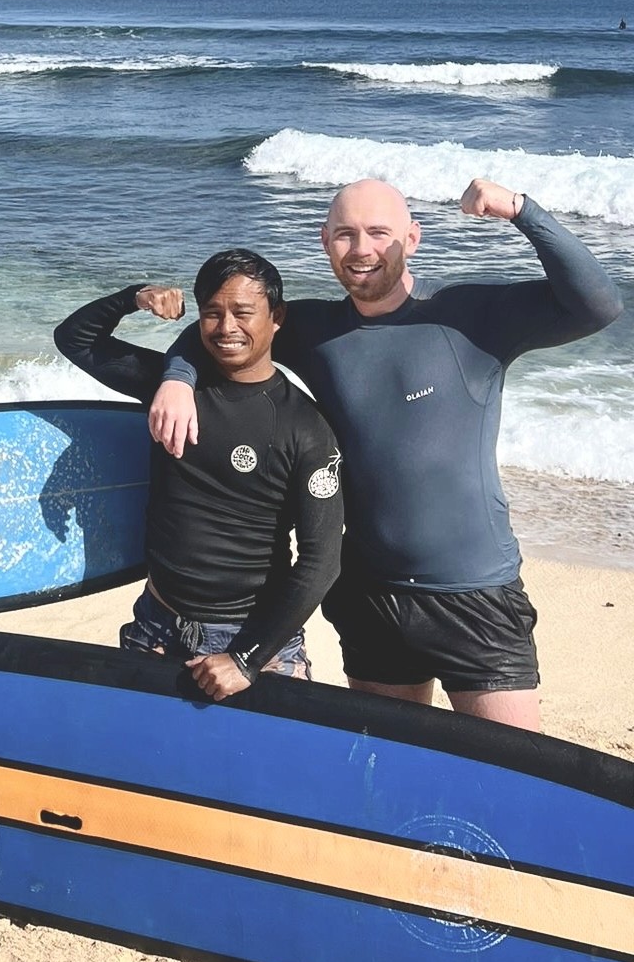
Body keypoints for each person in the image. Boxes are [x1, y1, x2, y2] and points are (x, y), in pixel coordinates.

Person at [149, 179, 624, 730]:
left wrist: (520, 210)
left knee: (507, 769)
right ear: (325, 241)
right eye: (345, 234)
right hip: (370, 596)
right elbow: (225, 326)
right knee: (388, 764)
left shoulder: (470, 315)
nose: (362, 249)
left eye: (379, 232)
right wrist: (178, 378)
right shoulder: (314, 328)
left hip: (473, 594)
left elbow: (598, 304)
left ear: (412, 238)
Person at [53, 250, 343, 701]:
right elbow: (75, 338)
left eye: (243, 312)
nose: (226, 327)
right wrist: (136, 298)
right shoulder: (173, 392)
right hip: (157, 624)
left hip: (255, 639)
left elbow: (321, 562)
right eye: (212, 313)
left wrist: (246, 659)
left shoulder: (305, 427)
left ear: (277, 317)